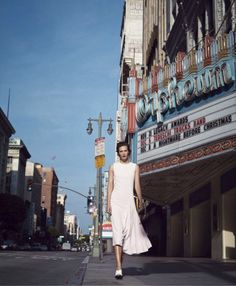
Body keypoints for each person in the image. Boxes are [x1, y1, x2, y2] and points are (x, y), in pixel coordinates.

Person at [107, 141, 152, 279]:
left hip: (129, 203)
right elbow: (110, 185)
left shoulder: (135, 167)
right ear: (118, 153)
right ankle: (119, 268)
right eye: (121, 151)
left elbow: (137, 185)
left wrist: (141, 199)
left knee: (127, 235)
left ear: (129, 151)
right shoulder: (113, 167)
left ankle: (120, 263)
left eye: (125, 151)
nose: (123, 153)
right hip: (116, 202)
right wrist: (108, 203)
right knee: (117, 234)